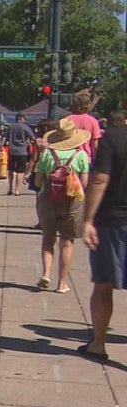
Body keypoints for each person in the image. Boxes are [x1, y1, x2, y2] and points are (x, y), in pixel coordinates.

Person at [80, 105, 127, 361]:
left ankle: (98, 343)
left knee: (104, 284)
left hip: (113, 221)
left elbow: (99, 180)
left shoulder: (114, 138)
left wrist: (88, 219)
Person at [33, 118, 90, 295]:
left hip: (48, 200)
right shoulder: (80, 156)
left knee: (48, 239)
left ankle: (46, 273)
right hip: (72, 202)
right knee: (67, 241)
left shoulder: (47, 154)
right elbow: (85, 183)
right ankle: (62, 282)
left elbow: (38, 180)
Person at [63, 90, 102, 160]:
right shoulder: (93, 121)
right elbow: (95, 145)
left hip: (67, 159)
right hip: (86, 158)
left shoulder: (67, 120)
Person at [5, 113, 35, 196]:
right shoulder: (25, 127)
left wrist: (1, 147)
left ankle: (10, 188)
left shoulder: (10, 127)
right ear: (22, 119)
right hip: (22, 151)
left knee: (10, 170)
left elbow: (5, 137)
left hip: (11, 151)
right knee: (20, 171)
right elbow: (32, 137)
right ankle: (17, 190)